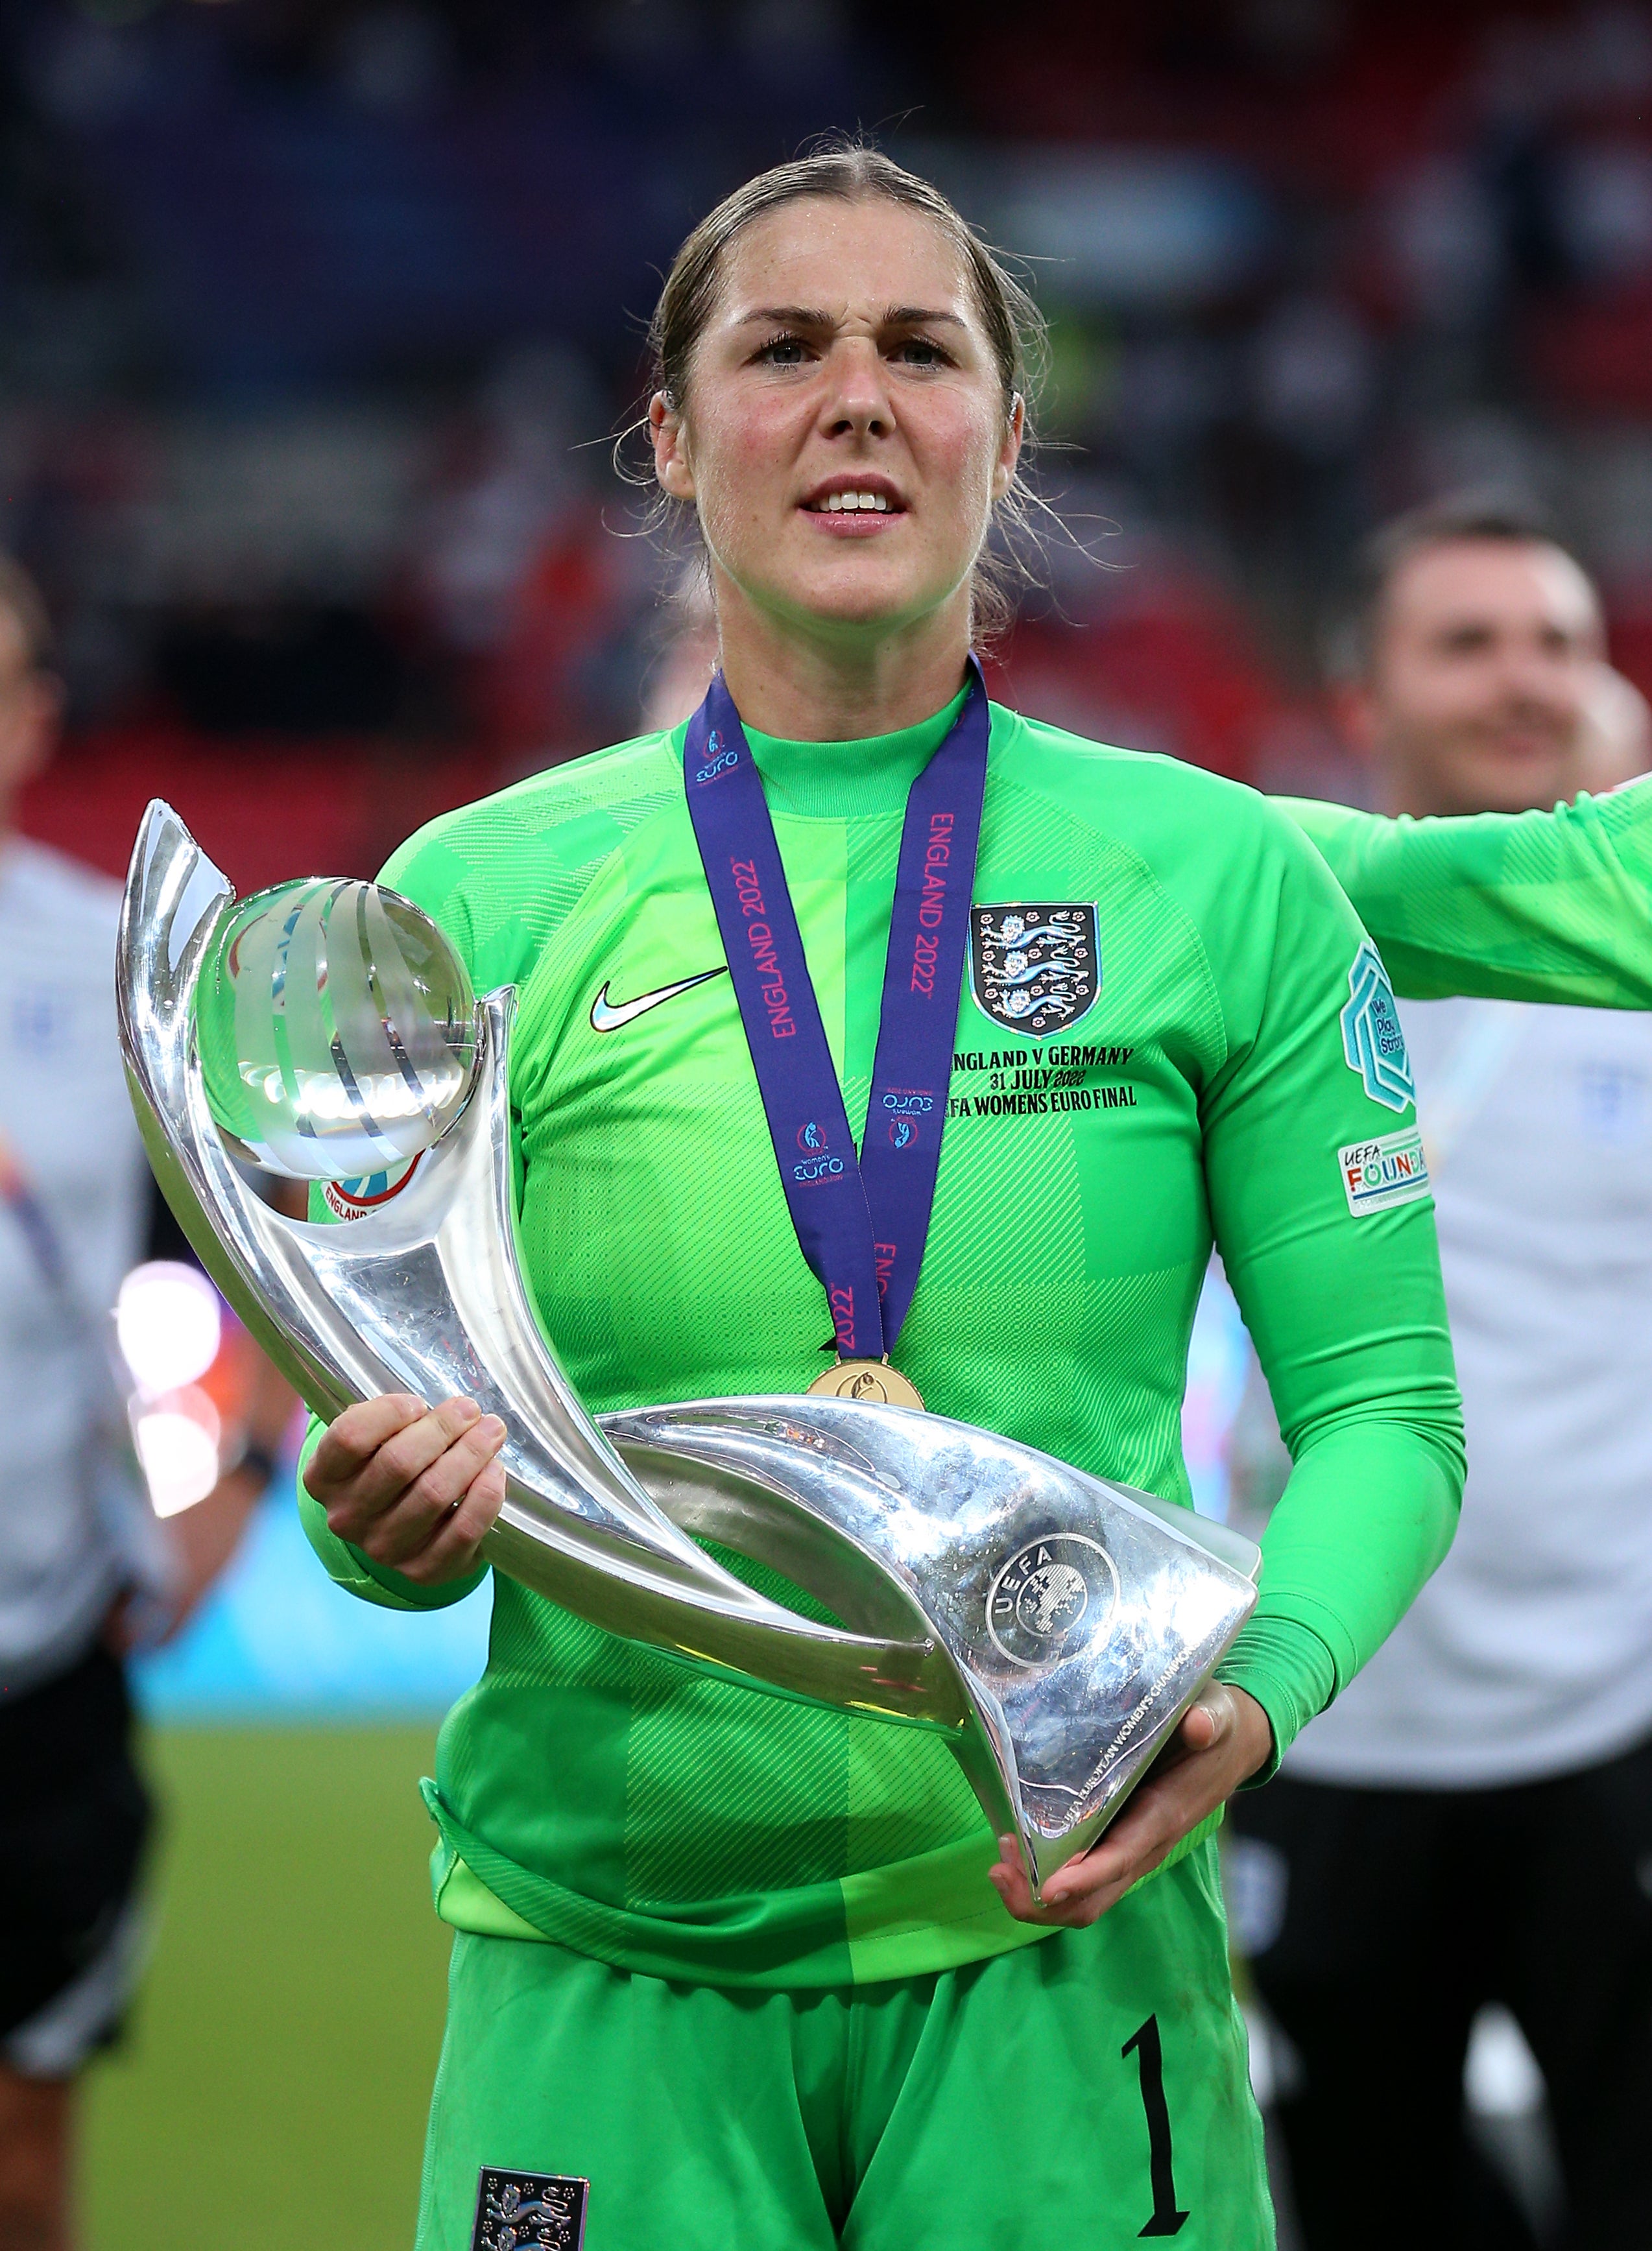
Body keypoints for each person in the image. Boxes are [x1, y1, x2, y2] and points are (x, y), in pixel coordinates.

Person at [298, 148, 1465, 2251]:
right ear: (669, 435)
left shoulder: (1216, 878)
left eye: (921, 350)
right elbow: (392, 1426)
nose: (857, 395)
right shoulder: (473, 897)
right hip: (605, 1945)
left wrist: (1259, 1687)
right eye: (785, 348)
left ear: (1004, 434)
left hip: (1055, 1918)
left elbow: (1386, 1408)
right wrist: (369, 1518)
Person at [1227, 498, 1652, 2251]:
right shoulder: (1244, 971)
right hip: (1321, 1724)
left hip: (1616, 1725)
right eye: (1465, 642)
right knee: (1375, 2214)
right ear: (1358, 699)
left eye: (1557, 641)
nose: (1523, 679)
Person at [0, 553, 287, 2251]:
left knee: (23, 2162)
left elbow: (264, 1268)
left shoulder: (115, 975)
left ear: (31, 715)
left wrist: (235, 1485)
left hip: (40, 1677)